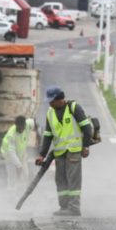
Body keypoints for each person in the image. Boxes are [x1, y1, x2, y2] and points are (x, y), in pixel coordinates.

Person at [36, 86, 93, 217]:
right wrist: (42, 155)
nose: (50, 104)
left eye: (52, 101)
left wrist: (85, 147)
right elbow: (48, 135)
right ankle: (64, 207)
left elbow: (87, 128)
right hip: (59, 153)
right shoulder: (50, 113)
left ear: (59, 99)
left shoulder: (74, 108)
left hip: (73, 151)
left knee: (73, 180)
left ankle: (74, 208)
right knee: (60, 180)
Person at [0, 116, 32, 191]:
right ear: (16, 125)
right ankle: (11, 192)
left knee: (25, 174)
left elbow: (32, 122)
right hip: (9, 156)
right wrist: (18, 166)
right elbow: (11, 152)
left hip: (21, 155)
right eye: (19, 128)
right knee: (12, 177)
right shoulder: (11, 135)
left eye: (22, 128)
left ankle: (22, 192)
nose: (21, 130)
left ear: (25, 125)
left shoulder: (28, 125)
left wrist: (21, 166)